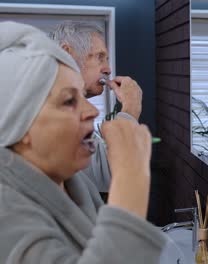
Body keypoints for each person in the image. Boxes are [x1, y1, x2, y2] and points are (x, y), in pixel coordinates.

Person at [0, 21, 176, 263]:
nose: (93, 114)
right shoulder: (6, 214)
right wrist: (131, 172)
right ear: (20, 122)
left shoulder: (74, 184)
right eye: (69, 101)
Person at [49, 21, 143, 192]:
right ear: (66, 55)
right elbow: (113, 171)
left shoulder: (68, 107)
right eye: (99, 57)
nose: (108, 69)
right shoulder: (53, 110)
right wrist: (130, 107)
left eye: (107, 59)